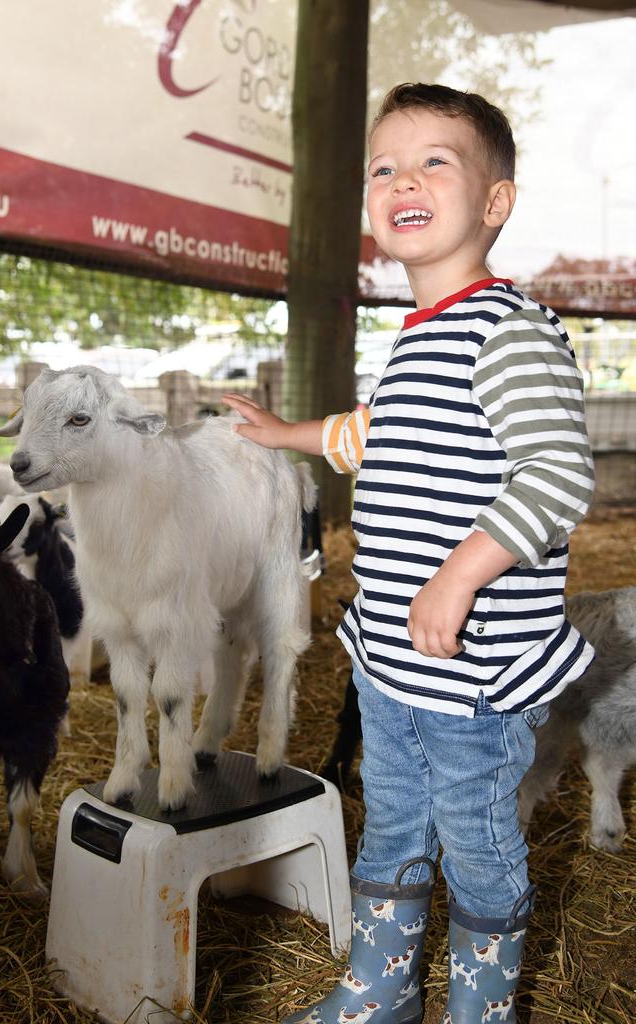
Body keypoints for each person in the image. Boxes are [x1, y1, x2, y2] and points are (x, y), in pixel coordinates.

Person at [224, 82, 595, 1024]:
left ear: (495, 202)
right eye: (384, 166)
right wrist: (282, 435)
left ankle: (482, 1008)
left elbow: (555, 477)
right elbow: (372, 435)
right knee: (390, 821)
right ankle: (380, 989)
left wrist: (459, 575)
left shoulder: (506, 333)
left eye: (437, 159)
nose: (403, 178)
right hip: (389, 660)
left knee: (477, 839)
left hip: (472, 673)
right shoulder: (421, 340)